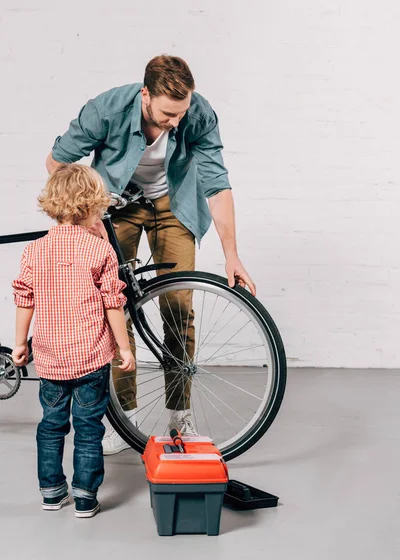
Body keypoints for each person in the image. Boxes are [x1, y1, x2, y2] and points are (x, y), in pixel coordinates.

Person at [45, 54, 256, 454]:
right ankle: (124, 415)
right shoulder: (105, 110)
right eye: (166, 114)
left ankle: (181, 416)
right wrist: (84, 216)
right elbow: (57, 161)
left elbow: (217, 183)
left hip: (175, 206)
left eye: (181, 113)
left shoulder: (197, 114)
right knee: (113, 307)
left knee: (178, 306)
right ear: (145, 94)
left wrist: (232, 254)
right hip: (113, 209)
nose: (175, 122)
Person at [11, 164, 135, 517]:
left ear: (52, 203)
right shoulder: (101, 251)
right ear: (94, 206)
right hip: (91, 358)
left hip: (50, 358)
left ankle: (51, 492)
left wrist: (20, 343)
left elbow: (25, 299)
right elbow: (114, 302)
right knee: (88, 427)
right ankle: (84, 496)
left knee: (51, 425)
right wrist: (124, 347)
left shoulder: (35, 250)